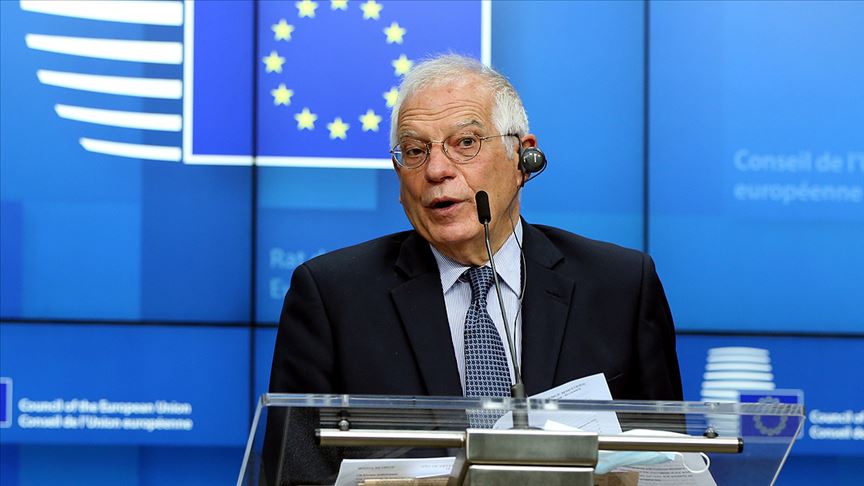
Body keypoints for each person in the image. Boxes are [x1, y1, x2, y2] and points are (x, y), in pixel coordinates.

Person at [268, 53, 681, 402]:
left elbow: (668, 454)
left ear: (522, 159)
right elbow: (295, 464)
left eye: (465, 142)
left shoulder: (621, 287)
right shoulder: (333, 298)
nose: (436, 170)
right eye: (415, 150)